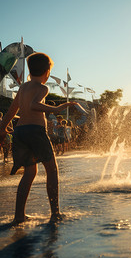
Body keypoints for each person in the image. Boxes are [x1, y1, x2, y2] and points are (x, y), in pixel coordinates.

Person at [0, 52, 80, 225]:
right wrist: (57, 108)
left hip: (20, 131)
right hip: (35, 131)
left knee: (29, 172)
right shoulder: (43, 88)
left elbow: (12, 110)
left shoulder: (23, 88)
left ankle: (19, 216)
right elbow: (33, 105)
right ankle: (55, 213)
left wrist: (2, 127)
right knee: (51, 169)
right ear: (47, 71)